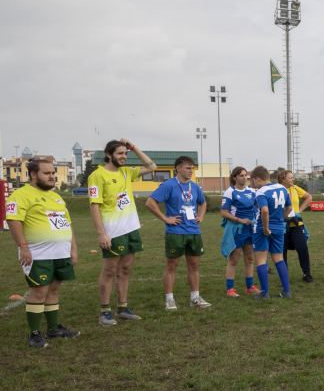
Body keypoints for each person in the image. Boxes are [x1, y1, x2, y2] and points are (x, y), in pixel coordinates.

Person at [7, 160, 80, 348]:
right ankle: (34, 334)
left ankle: (53, 328)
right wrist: (23, 247)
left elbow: (67, 223)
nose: (52, 176)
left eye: (53, 173)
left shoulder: (57, 197)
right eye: (47, 173)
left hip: (61, 253)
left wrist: (73, 248)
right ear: (33, 175)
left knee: (54, 290)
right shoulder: (20, 195)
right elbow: (13, 221)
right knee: (39, 292)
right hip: (38, 253)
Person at [88, 139, 157, 324]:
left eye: (125, 154)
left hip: (131, 229)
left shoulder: (126, 172)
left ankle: (122, 309)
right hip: (112, 230)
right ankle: (104, 312)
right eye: (120, 153)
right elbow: (94, 206)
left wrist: (133, 147)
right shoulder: (97, 175)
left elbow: (152, 167)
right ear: (109, 154)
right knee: (109, 270)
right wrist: (101, 233)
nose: (124, 157)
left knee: (125, 269)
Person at [145, 156, 211, 310]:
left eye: (192, 168)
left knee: (194, 266)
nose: (191, 171)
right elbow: (150, 203)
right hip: (175, 232)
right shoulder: (169, 185)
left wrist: (200, 216)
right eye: (188, 168)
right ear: (178, 169)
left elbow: (203, 202)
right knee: (171, 266)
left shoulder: (194, 187)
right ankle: (169, 300)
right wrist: (166, 219)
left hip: (194, 231)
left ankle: (195, 298)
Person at [249, 167, 294, 299]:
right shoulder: (282, 189)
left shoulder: (261, 192)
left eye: (252, 181)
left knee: (261, 260)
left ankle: (264, 293)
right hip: (279, 228)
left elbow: (264, 211)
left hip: (263, 229)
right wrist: (280, 219)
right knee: (279, 259)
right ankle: (286, 291)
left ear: (258, 179)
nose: (252, 184)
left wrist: (265, 228)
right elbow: (289, 208)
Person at [220, 166, 261, 297]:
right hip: (237, 230)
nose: (244, 178)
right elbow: (224, 213)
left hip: (250, 229)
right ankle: (229, 289)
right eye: (241, 175)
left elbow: (257, 207)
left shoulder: (251, 191)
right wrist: (240, 220)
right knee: (234, 260)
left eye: (245, 175)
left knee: (249, 259)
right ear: (234, 177)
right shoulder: (229, 192)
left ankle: (249, 287)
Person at [278, 169, 314, 283]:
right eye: (290, 177)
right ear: (283, 179)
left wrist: (300, 210)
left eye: (293, 177)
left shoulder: (295, 188)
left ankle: (306, 274)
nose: (293, 179)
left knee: (302, 248)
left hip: (296, 223)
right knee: (282, 251)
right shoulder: (277, 190)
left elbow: (309, 197)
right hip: (282, 225)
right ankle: (284, 276)